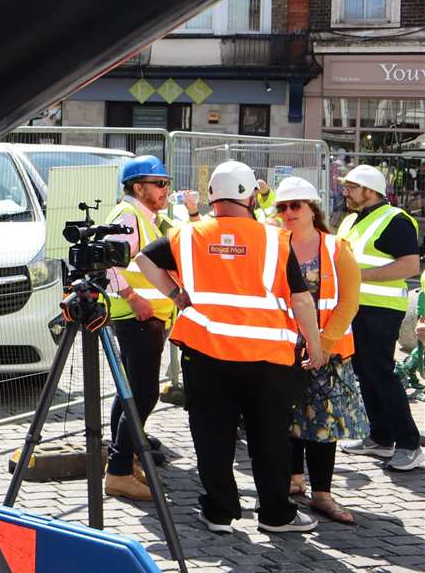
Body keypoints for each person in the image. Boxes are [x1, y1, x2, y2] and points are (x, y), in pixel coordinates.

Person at [135, 160, 326, 534]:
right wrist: (315, 346)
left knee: (212, 433)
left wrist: (176, 295)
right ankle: (275, 514)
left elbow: (143, 258)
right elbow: (302, 301)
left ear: (212, 197)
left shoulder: (188, 235)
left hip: (205, 353)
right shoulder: (274, 239)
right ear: (250, 196)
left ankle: (220, 511)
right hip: (267, 357)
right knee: (269, 436)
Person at [275, 177, 365, 523]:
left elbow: (349, 301)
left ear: (313, 209)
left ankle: (322, 493)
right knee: (288, 420)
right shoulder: (275, 244)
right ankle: (294, 480)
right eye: (281, 207)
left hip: (328, 353)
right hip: (284, 350)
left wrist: (324, 344)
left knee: (323, 425)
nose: (288, 213)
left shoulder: (335, 247)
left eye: (295, 205)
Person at [334, 164, 423, 471]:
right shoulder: (350, 220)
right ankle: (381, 438)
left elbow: (410, 266)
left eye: (351, 187)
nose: (345, 192)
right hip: (354, 308)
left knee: (381, 373)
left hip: (381, 310)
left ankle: (409, 443)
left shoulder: (395, 220)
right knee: (365, 372)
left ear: (369, 191)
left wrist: (358, 276)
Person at [102, 156, 180, 502]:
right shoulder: (129, 216)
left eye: (166, 183)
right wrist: (133, 298)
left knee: (131, 390)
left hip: (147, 317)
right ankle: (119, 470)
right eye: (159, 183)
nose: (166, 189)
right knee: (144, 393)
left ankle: (125, 453)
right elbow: (108, 263)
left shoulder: (148, 218)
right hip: (138, 317)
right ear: (138, 187)